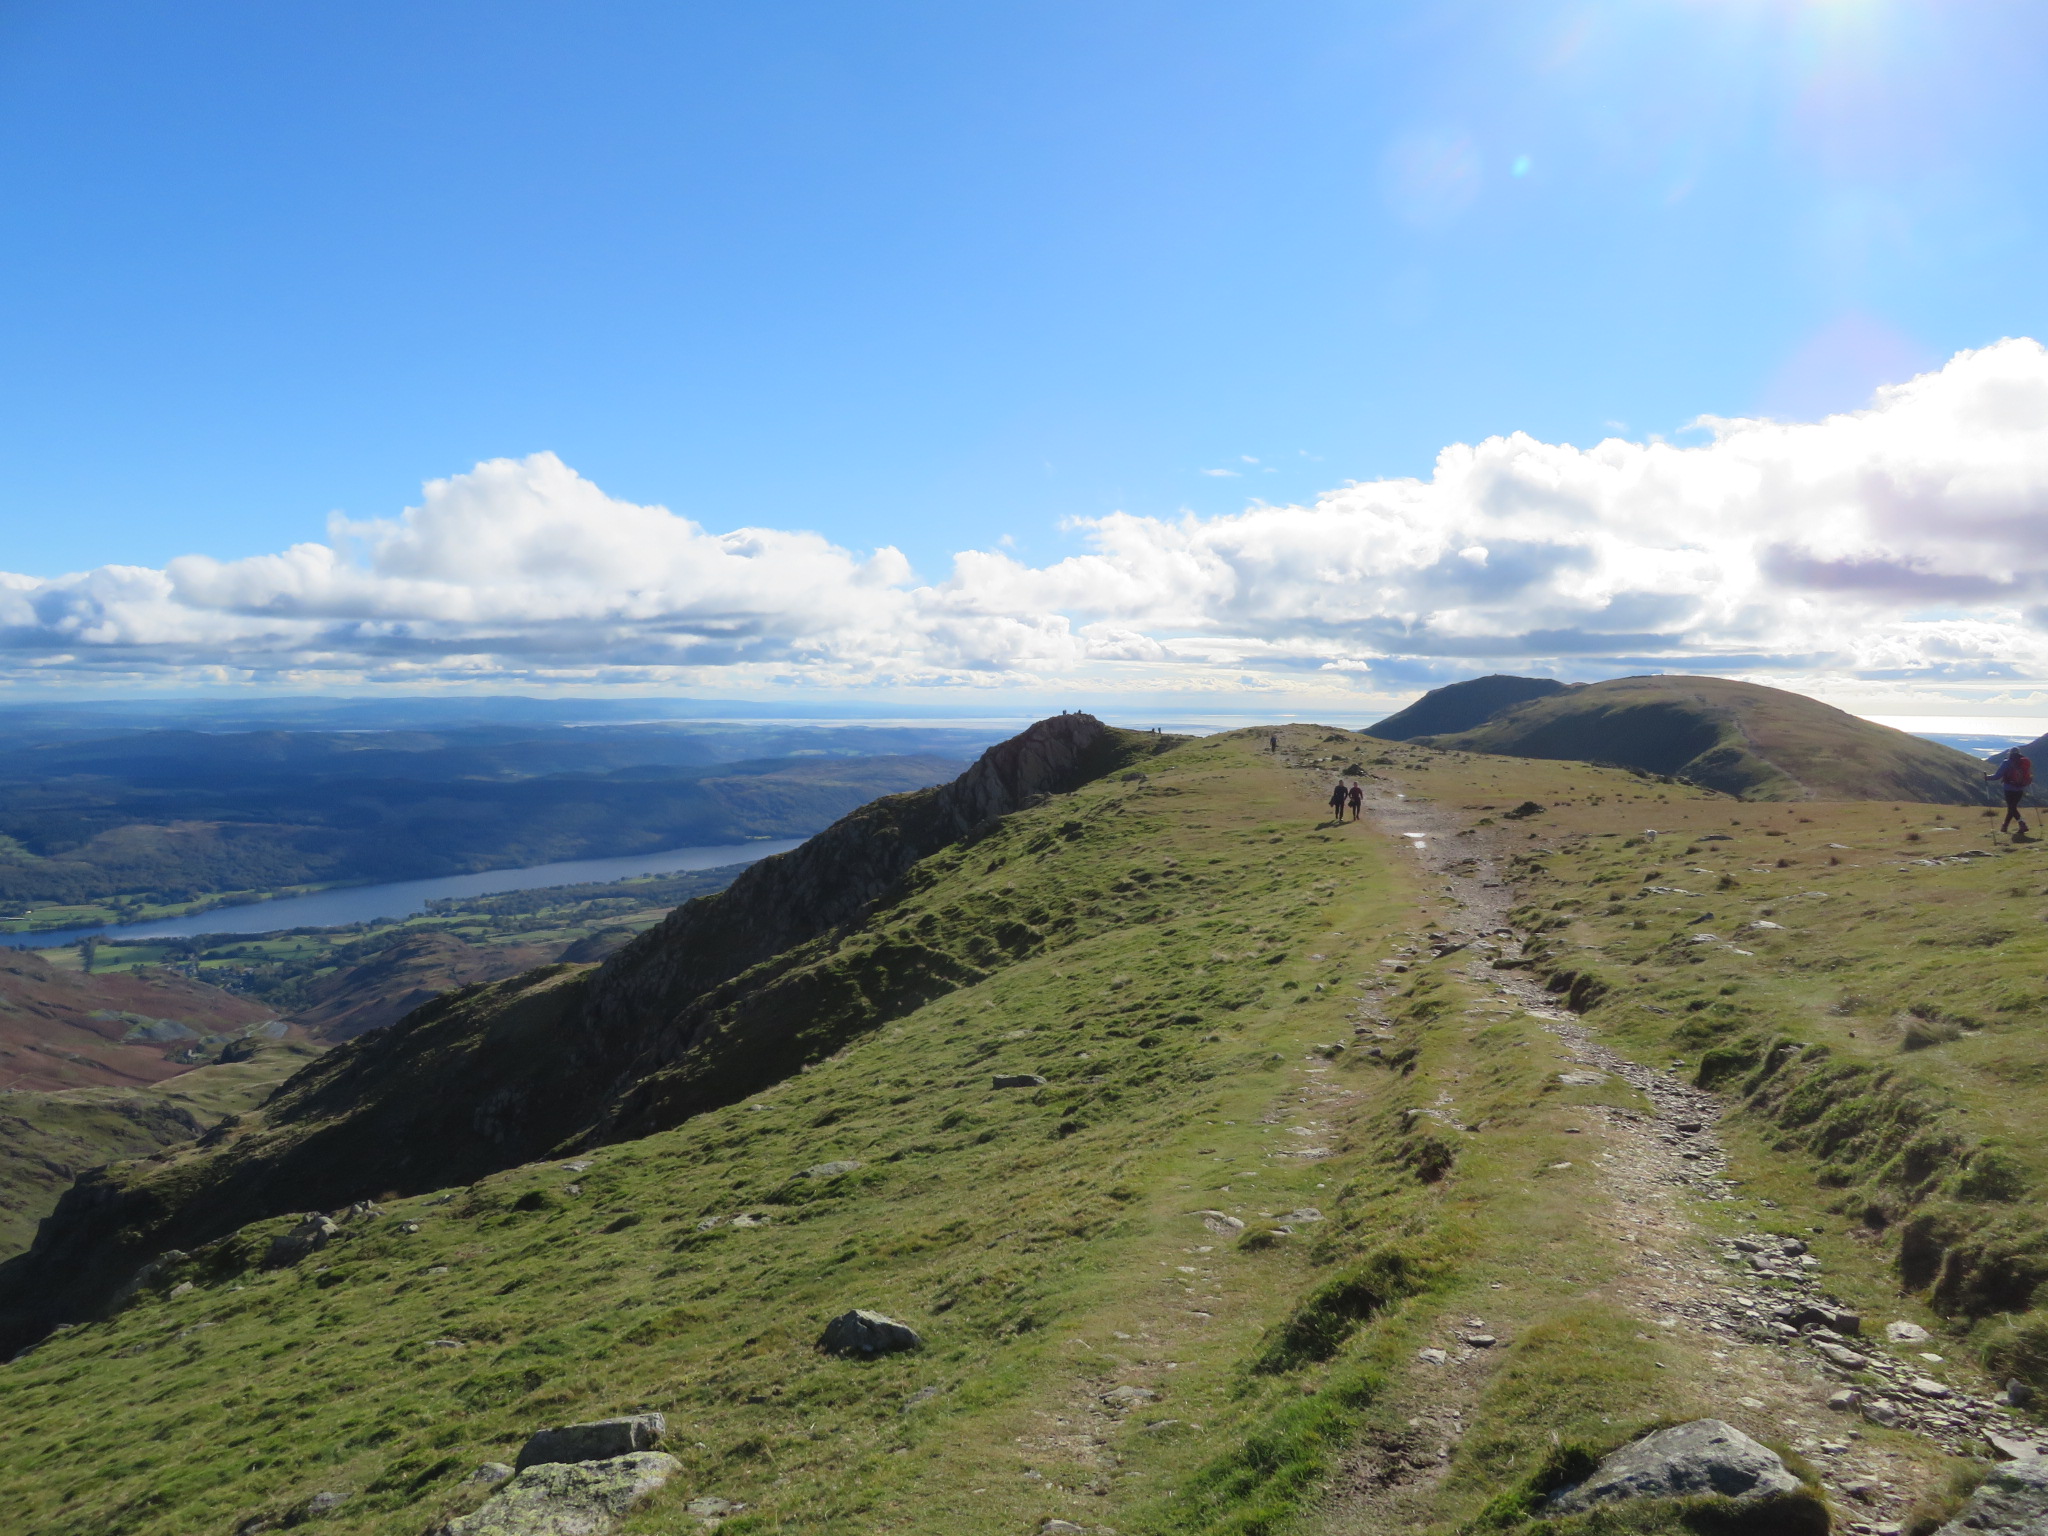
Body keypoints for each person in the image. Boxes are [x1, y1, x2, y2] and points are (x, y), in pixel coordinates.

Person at [1989, 747, 2034, 837]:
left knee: (2012, 807)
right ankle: (2004, 827)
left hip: (2009, 788)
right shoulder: (2023, 763)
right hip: (2020, 788)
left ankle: (2022, 824)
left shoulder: (2007, 762)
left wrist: (1987, 777)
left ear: (2010, 753)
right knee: (2012, 807)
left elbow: (1997, 776)